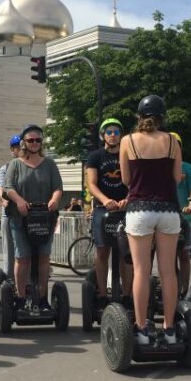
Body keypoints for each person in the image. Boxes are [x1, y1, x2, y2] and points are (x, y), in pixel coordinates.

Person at [121, 95, 181, 346]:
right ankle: (169, 328)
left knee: (141, 271)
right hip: (168, 210)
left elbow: (126, 179)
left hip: (139, 210)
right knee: (168, 272)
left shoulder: (127, 141)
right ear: (162, 117)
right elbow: (177, 177)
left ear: (139, 116)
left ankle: (143, 329)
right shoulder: (173, 142)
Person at [4, 124, 63, 311]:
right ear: (23, 143)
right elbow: (8, 188)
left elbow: (58, 187)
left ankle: (43, 299)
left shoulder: (50, 164)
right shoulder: (15, 164)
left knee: (44, 257)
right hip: (20, 218)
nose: (35, 143)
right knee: (23, 258)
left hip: (44, 218)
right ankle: (21, 298)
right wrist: (19, 201)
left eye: (38, 140)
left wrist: (54, 199)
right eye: (31, 140)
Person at [86, 118, 132, 306]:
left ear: (121, 135)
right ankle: (103, 295)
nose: (113, 135)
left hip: (125, 209)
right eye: (109, 132)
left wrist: (128, 199)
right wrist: (105, 200)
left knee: (125, 253)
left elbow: (135, 180)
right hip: (102, 209)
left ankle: (127, 296)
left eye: (116, 132)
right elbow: (91, 183)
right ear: (103, 135)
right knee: (102, 251)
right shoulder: (95, 156)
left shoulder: (128, 155)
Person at [169, 131, 191, 297]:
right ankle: (172, 288)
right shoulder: (162, 167)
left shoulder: (187, 168)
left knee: (184, 255)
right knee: (168, 259)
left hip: (184, 218)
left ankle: (185, 290)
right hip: (166, 217)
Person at [0, 135, 21, 279]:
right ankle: (9, 278)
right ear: (12, 150)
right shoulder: (5, 168)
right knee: (9, 248)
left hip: (26, 212)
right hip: (9, 212)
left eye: (21, 147)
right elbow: (0, 186)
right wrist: (3, 198)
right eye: (16, 147)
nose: (19, 150)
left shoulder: (29, 167)